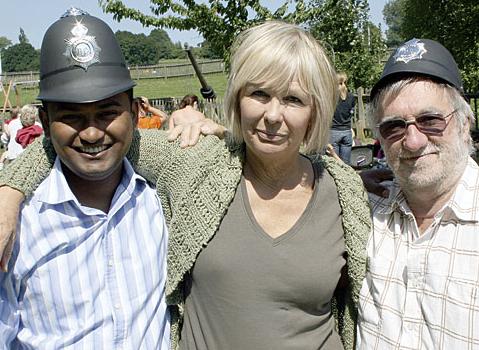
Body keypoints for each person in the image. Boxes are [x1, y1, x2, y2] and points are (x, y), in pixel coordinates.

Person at [0, 20, 371, 349]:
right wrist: (9, 193)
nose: (273, 115)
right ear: (238, 98)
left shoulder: (345, 191)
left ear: (316, 111)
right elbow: (82, 139)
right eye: (259, 94)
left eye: (293, 99)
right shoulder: (196, 163)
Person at [0, 9, 171, 348]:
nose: (92, 133)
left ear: (135, 114)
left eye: (108, 112)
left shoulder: (161, 201)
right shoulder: (17, 228)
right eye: (72, 117)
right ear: (46, 122)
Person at [357, 38, 479, 349]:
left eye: (430, 121)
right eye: (394, 127)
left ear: (465, 124)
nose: (413, 141)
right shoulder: (365, 209)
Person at [329, 72, 356, 164]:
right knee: (346, 164)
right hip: (347, 132)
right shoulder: (351, 97)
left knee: (334, 164)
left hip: (334, 132)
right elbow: (350, 113)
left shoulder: (331, 98)